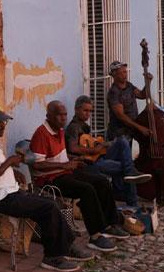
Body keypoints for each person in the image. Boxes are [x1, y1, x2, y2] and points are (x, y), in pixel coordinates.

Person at [0, 104, 94, 272]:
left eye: (4, 122)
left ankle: (66, 246)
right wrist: (11, 162)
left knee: (50, 202)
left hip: (9, 192)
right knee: (48, 207)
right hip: (0, 199)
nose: (2, 126)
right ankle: (52, 257)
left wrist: (12, 172)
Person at [30, 101, 130, 252]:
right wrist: (63, 166)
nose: (63, 118)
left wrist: (73, 159)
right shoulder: (41, 134)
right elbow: (37, 165)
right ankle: (95, 236)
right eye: (59, 115)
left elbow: (60, 156)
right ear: (48, 116)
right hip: (49, 178)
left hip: (65, 171)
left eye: (65, 115)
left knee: (101, 181)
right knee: (86, 189)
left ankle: (110, 224)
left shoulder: (60, 131)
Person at [64, 95, 151, 207]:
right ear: (76, 110)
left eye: (90, 111)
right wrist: (94, 150)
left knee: (122, 141)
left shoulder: (84, 126)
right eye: (85, 110)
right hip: (89, 163)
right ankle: (133, 204)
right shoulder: (73, 127)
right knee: (124, 168)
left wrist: (104, 144)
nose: (88, 114)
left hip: (97, 157)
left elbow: (87, 143)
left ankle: (128, 176)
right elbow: (73, 148)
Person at [106, 61, 153, 141]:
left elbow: (142, 95)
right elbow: (121, 116)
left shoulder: (129, 85)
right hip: (119, 133)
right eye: (121, 73)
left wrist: (148, 82)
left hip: (129, 131)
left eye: (125, 72)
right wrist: (140, 128)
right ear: (114, 75)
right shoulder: (114, 93)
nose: (124, 75)